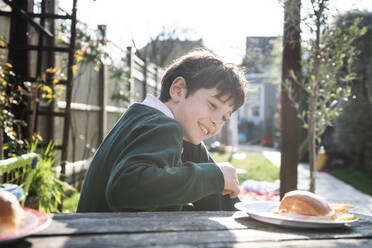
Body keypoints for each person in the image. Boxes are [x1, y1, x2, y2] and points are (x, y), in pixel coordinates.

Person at [77, 49, 247, 212]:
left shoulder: (143, 118)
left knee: (194, 150)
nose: (216, 122)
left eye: (224, 117)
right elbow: (126, 187)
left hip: (95, 230)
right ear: (178, 90)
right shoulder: (163, 127)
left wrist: (229, 197)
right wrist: (213, 177)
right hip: (106, 237)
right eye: (212, 105)